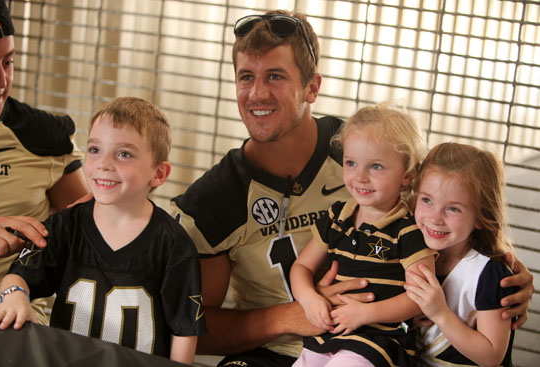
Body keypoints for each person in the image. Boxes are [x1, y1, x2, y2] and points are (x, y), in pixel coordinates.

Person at [168, 9, 534, 367]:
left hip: (376, 338)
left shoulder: (364, 148)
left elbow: (447, 202)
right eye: (246, 77)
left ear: (312, 87)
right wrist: (291, 316)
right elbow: (192, 328)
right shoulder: (212, 202)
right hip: (273, 351)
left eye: (275, 76)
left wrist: (499, 271)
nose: (257, 94)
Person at [0, 97, 206, 365]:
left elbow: (184, 330)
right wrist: (15, 298)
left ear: (158, 174)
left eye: (123, 154)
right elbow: (18, 276)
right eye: (94, 150)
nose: (103, 163)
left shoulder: (173, 244)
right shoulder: (65, 227)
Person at [291, 104, 436, 367]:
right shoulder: (337, 218)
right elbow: (301, 267)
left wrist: (366, 313)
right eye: (351, 163)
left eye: (376, 166)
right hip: (327, 337)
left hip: (381, 343)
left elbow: (421, 297)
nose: (360, 177)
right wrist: (309, 298)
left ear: (407, 175)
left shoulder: (409, 230)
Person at [0, 0, 88, 325]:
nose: (0, 82)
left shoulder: (43, 136)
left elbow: (86, 224)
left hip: (17, 327)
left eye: (8, 62)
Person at [405, 142, 519, 366]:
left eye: (453, 208)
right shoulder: (406, 250)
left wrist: (440, 314)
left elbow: (492, 356)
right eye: (427, 200)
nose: (435, 218)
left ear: (480, 216)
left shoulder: (490, 273)